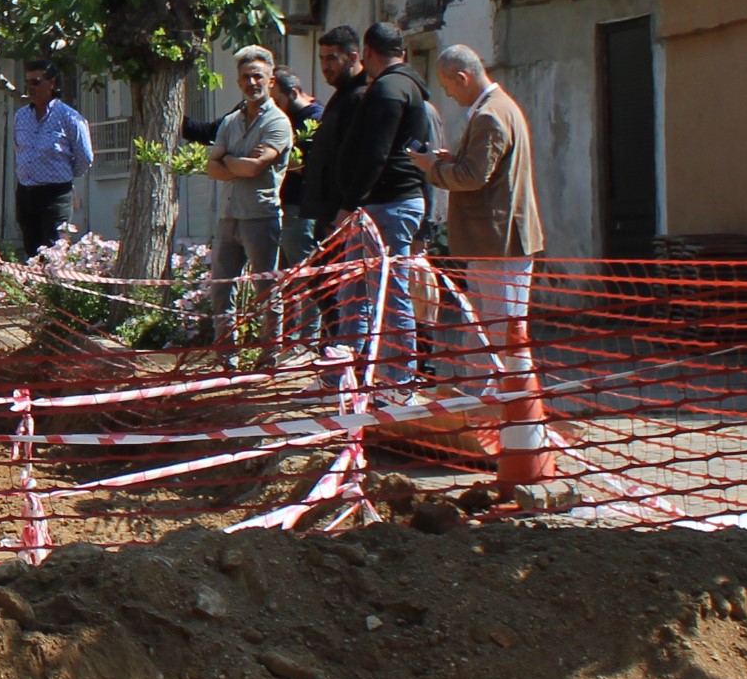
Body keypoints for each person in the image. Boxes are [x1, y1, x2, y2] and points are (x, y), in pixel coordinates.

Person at [304, 21, 436, 388]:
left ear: (368, 53)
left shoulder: (388, 90)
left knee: (390, 298)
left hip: (386, 207)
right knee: (353, 295)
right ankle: (344, 375)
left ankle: (398, 383)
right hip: (381, 207)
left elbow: (374, 155)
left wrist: (349, 205)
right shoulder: (400, 86)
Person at [413, 42, 545, 402]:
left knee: (499, 331)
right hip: (496, 241)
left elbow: (474, 177)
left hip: (496, 242)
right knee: (489, 330)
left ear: (463, 76)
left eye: (449, 85)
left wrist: (434, 169)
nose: (449, 93)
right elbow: (483, 168)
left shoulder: (489, 114)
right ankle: (485, 399)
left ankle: (504, 403)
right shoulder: (500, 107)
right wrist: (452, 160)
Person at [203, 47, 297, 320]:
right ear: (238, 82)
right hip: (228, 217)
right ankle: (227, 360)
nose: (251, 83)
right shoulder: (230, 121)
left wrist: (228, 160)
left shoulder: (278, 122)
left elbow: (255, 167)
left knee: (267, 293)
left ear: (271, 81)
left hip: (260, 216)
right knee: (220, 292)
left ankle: (269, 358)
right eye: (246, 77)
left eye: (258, 76)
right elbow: (211, 169)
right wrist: (238, 163)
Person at [10, 64, 92, 263]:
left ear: (52, 84)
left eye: (36, 82)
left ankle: (52, 291)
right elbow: (19, 150)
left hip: (55, 195)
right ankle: (32, 292)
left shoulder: (69, 118)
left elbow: (85, 158)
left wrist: (63, 176)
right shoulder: (21, 116)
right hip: (26, 193)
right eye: (28, 82)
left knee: (52, 253)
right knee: (31, 253)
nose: (31, 87)